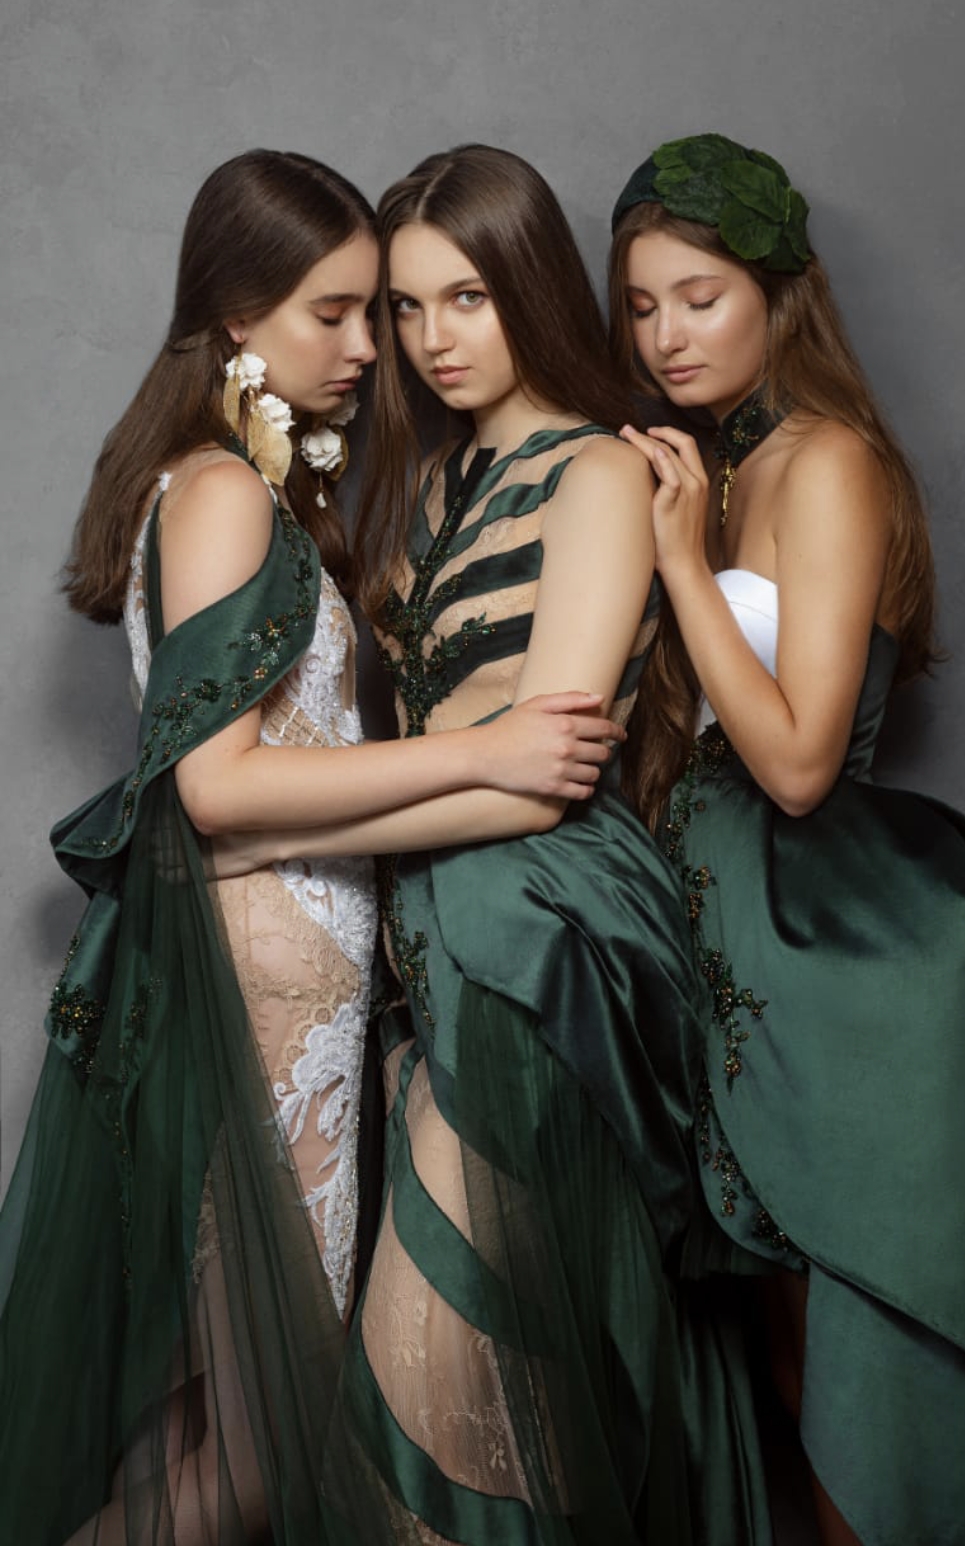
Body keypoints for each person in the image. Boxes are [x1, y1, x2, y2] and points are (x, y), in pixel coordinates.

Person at [0, 148, 625, 1546]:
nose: (371, 349)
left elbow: (258, 792)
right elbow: (218, 787)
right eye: (335, 313)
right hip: (270, 993)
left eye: (375, 312)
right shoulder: (224, 492)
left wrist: (502, 776)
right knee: (259, 1457)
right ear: (237, 317)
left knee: (203, 1435)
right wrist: (485, 754)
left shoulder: (243, 489)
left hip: (295, 970)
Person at [226, 142, 772, 1545]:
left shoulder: (593, 470)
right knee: (460, 1381)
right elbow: (458, 750)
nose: (431, 340)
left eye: (464, 298)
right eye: (406, 308)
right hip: (438, 926)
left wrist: (271, 825)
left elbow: (542, 776)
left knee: (454, 1364)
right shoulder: (435, 481)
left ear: (527, 283)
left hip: (545, 930)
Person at [609, 131, 965, 1546]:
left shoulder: (829, 462)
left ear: (780, 294)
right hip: (724, 939)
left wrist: (678, 567)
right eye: (641, 305)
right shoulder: (711, 468)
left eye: (700, 298)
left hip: (829, 951)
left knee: (864, 1391)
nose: (666, 336)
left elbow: (800, 764)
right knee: (785, 1367)